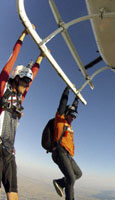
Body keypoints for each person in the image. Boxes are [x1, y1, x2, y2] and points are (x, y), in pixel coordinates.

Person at [0, 27, 45, 200]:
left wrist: (41, 56)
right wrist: (24, 34)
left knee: (14, 194)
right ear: (16, 77)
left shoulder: (21, 98)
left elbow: (33, 74)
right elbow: (12, 60)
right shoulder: (3, 88)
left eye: (28, 84)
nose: (26, 86)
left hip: (9, 152)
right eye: (24, 82)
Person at [52, 87, 82, 200]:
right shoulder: (60, 119)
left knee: (78, 174)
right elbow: (62, 103)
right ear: (67, 113)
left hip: (68, 155)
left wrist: (77, 98)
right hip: (60, 152)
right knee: (71, 179)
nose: (73, 118)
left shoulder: (69, 126)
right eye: (72, 115)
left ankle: (60, 182)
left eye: (75, 116)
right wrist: (67, 90)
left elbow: (74, 106)